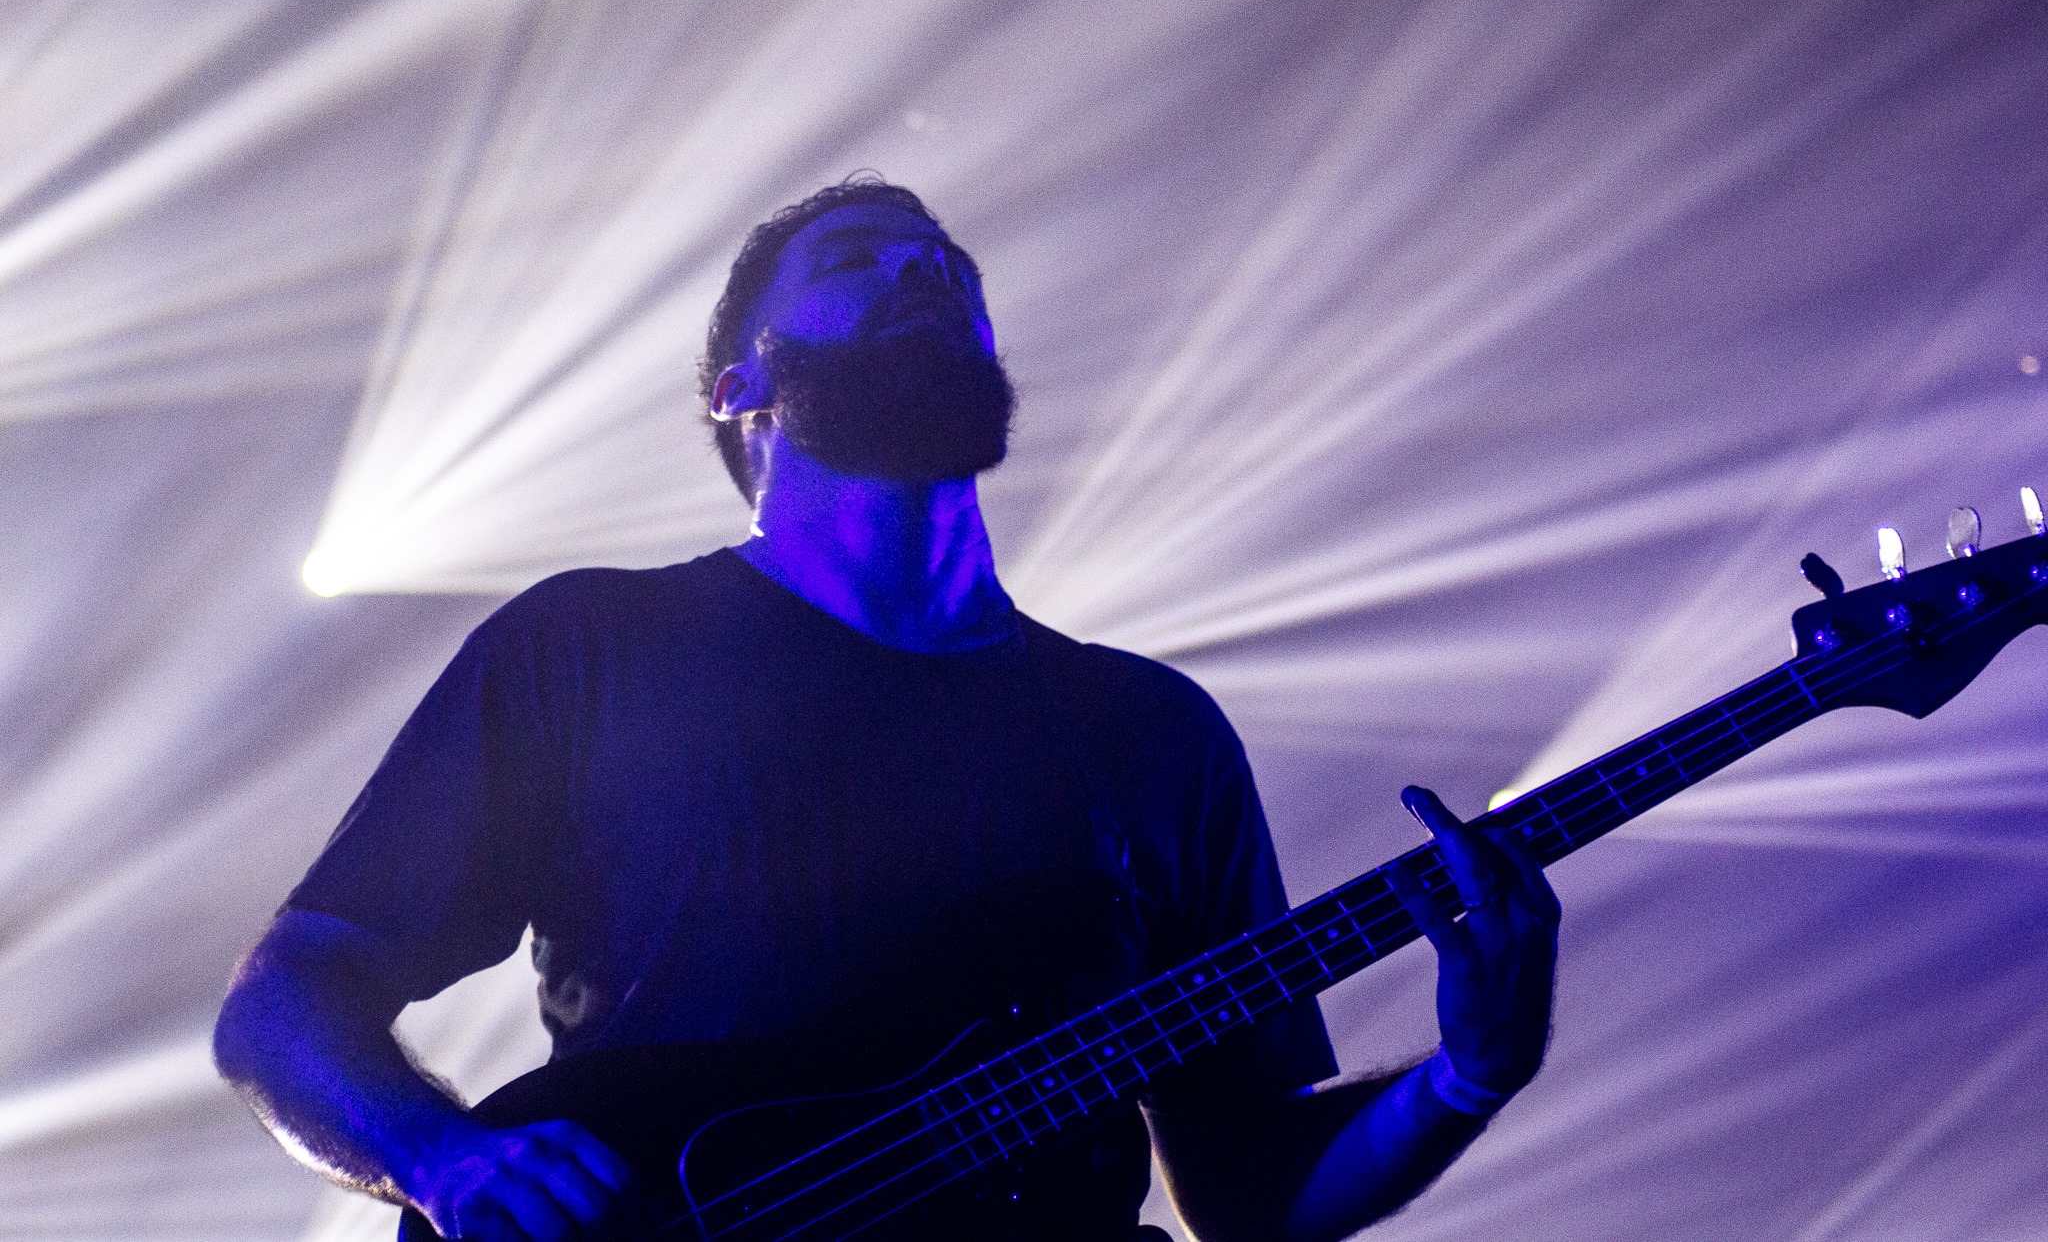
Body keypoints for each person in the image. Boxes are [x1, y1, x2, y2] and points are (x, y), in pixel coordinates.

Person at [214, 178, 1560, 1242]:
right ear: (738, 387)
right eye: (860, 261)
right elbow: (283, 1002)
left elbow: (1249, 1194)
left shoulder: (1156, 735)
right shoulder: (590, 650)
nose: (924, 274)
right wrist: (442, 1157)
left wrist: (1465, 1077)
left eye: (951, 271)